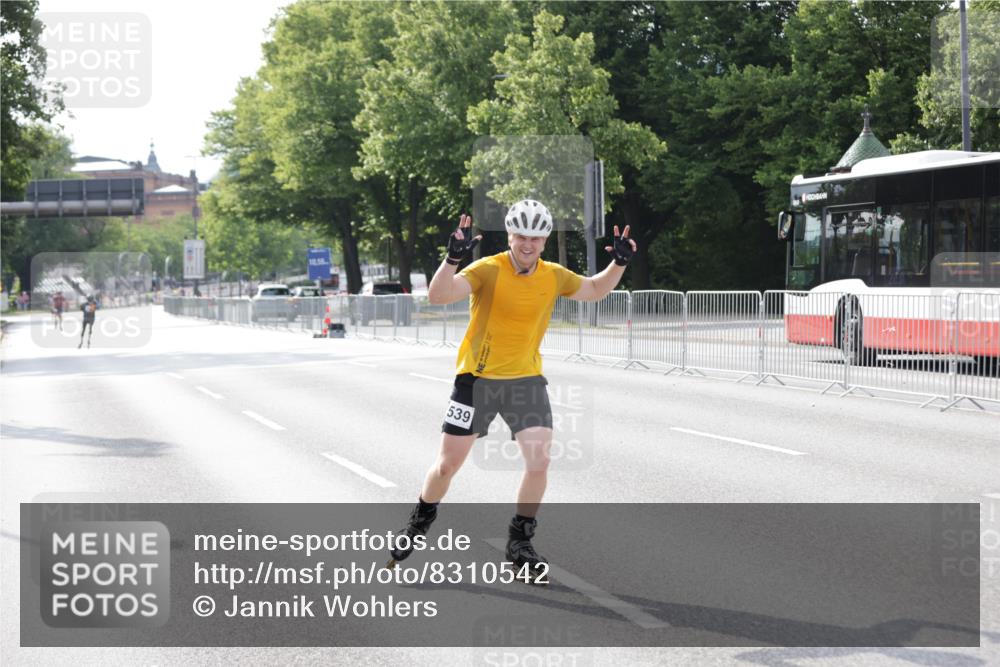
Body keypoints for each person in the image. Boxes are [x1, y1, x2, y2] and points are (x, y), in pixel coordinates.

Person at [387, 199, 637, 584]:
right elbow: (439, 295)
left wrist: (618, 264)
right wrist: (451, 259)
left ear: (545, 239)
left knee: (539, 462)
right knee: (446, 466)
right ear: (509, 235)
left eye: (535, 237)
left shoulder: (553, 275)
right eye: (521, 235)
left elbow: (593, 290)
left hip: (526, 381)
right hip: (477, 381)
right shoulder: (489, 269)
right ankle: (419, 522)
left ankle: (520, 541)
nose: (527, 243)